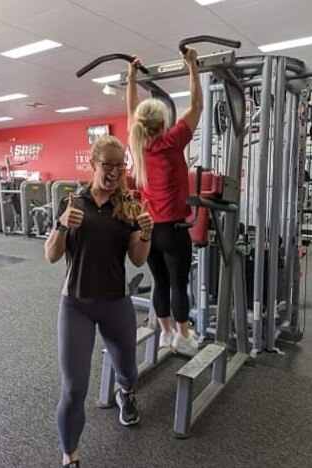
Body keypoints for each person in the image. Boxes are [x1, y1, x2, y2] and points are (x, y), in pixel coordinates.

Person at [44, 135, 153, 468]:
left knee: (129, 371)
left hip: (115, 302)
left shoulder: (130, 206)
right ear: (92, 165)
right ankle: (70, 456)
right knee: (74, 388)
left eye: (121, 165)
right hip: (75, 303)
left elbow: (137, 259)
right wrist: (62, 227)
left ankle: (125, 394)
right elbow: (51, 255)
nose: (115, 172)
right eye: (108, 165)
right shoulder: (72, 202)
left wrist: (147, 233)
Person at [126, 47, 203, 353]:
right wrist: (193, 67)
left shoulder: (138, 146)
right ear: (164, 122)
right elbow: (197, 104)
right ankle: (184, 338)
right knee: (178, 284)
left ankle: (166, 332)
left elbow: (132, 110)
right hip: (172, 231)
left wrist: (131, 80)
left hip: (148, 231)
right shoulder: (172, 141)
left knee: (160, 281)